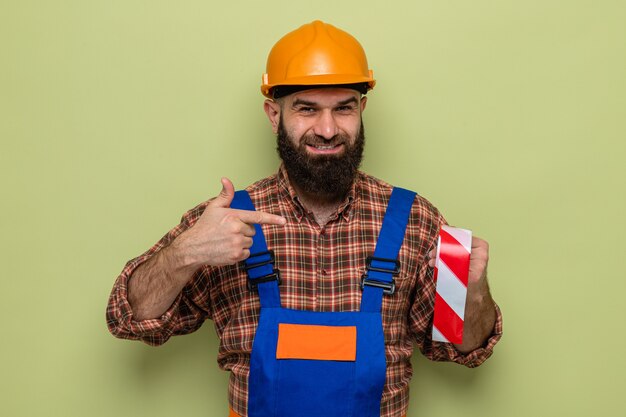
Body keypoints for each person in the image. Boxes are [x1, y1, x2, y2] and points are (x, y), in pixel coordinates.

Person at [106, 20, 502, 417]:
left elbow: (465, 348)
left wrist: (474, 292)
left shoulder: (414, 220)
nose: (327, 129)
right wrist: (185, 253)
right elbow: (128, 318)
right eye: (307, 109)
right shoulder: (226, 220)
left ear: (362, 109)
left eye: (343, 108)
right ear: (274, 115)